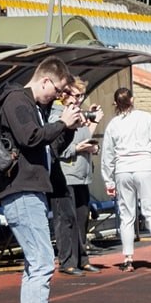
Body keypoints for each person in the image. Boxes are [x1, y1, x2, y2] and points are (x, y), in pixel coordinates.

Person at [0, 57, 81, 303]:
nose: (56, 96)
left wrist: (66, 128)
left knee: (36, 262)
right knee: (43, 260)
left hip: (32, 190)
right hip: (21, 190)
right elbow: (30, 138)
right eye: (56, 90)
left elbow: (49, 149)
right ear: (45, 80)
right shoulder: (17, 100)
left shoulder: (35, 108)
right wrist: (60, 122)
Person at [101, 87, 151, 272]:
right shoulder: (145, 117)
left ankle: (127, 258)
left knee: (126, 215)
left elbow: (107, 154)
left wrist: (108, 181)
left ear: (116, 104)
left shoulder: (113, 124)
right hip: (145, 166)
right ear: (132, 100)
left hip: (123, 169)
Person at [51, 79, 100, 276]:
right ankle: (67, 261)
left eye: (81, 96)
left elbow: (84, 137)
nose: (79, 100)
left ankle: (82, 258)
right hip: (65, 175)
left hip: (82, 175)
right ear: (63, 95)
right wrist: (77, 149)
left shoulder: (79, 114)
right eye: (75, 95)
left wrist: (92, 145)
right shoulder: (57, 116)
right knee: (66, 220)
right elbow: (55, 146)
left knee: (81, 218)